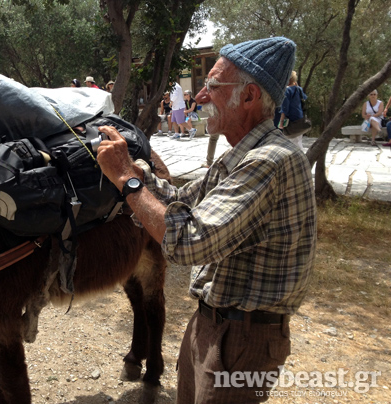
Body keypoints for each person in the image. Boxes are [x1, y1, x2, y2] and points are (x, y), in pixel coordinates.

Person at [96, 37, 316, 403]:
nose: (199, 97)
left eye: (212, 86)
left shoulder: (269, 161)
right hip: (214, 323)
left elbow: (188, 243)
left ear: (248, 97)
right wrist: (136, 170)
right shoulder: (242, 156)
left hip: (241, 338)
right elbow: (180, 200)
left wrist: (127, 180)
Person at [279, 71, 308, 149]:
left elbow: (285, 108)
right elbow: (305, 98)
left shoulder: (286, 91)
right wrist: (297, 86)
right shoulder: (298, 89)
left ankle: (300, 158)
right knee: (298, 141)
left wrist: (281, 122)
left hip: (291, 121)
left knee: (292, 144)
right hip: (300, 118)